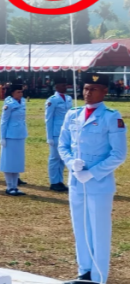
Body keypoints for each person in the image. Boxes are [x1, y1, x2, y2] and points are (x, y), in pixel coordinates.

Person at [59, 73, 127, 284]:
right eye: (86, 88)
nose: (88, 93)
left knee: (99, 230)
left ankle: (98, 277)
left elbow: (118, 154)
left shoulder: (111, 117)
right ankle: (84, 272)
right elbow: (63, 145)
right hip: (77, 181)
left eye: (93, 89)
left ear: (105, 91)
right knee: (80, 227)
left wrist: (92, 172)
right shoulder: (73, 114)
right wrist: (72, 164)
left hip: (99, 184)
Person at [0, 79, 27, 196]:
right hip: (10, 135)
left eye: (21, 92)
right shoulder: (8, 104)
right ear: (12, 93)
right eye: (18, 92)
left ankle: (15, 186)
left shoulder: (23, 102)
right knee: (8, 162)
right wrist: (2, 137)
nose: (20, 94)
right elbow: (3, 121)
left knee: (17, 162)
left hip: (20, 134)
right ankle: (9, 186)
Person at [45, 77, 73, 192]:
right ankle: (53, 182)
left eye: (66, 85)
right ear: (56, 87)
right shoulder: (52, 100)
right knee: (54, 158)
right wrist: (49, 137)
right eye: (62, 85)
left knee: (62, 158)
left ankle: (59, 181)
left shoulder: (68, 98)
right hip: (56, 132)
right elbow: (48, 119)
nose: (65, 87)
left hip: (67, 132)